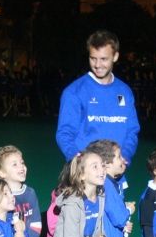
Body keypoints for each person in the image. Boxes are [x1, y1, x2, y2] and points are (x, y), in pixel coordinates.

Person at [56, 30, 140, 165]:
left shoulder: (125, 91)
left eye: (103, 59)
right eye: (93, 58)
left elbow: (132, 131)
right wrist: (78, 160)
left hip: (115, 173)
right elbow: (64, 134)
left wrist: (124, 157)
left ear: (115, 56)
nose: (97, 65)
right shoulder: (74, 92)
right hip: (85, 174)